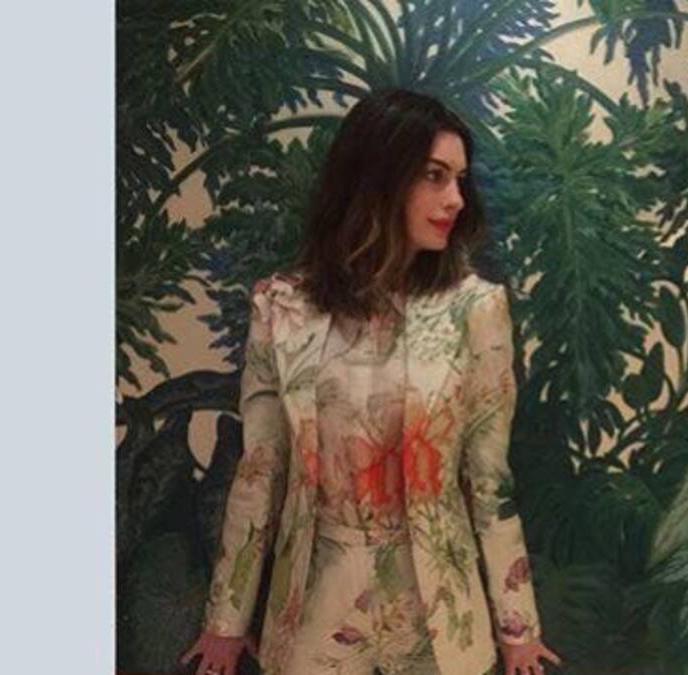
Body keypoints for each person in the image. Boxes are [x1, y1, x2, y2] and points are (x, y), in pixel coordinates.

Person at [181, 89, 562, 675]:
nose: (456, 199)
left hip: (441, 620)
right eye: (434, 175)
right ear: (376, 177)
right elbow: (260, 474)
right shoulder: (282, 309)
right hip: (312, 616)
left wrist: (518, 629)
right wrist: (225, 623)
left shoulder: (476, 310)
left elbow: (489, 480)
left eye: (460, 179)